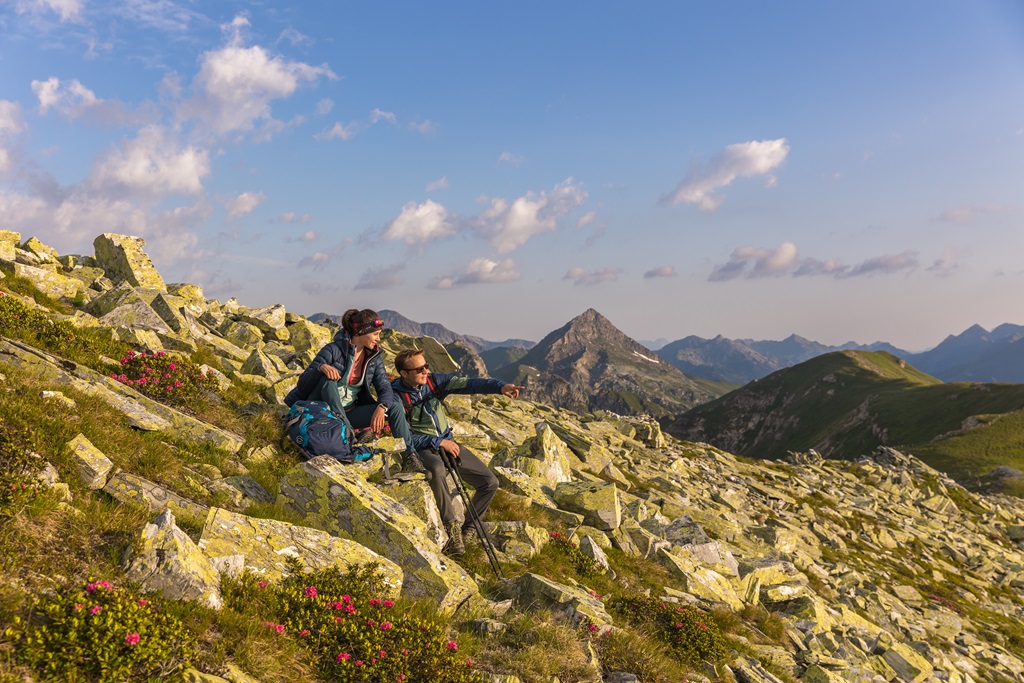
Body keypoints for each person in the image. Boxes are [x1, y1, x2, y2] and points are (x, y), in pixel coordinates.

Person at [391, 347, 525, 556]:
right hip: (423, 447)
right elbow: (403, 438)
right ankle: (452, 526)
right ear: (404, 374)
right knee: (436, 469)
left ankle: (468, 529)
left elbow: (469, 383)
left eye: (426, 366)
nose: (425, 371)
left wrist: (500, 387)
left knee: (490, 483)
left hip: (447, 443)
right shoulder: (395, 396)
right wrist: (437, 442)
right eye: (419, 369)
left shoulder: (435, 382)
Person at [284, 309, 421, 470]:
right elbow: (303, 384)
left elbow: (385, 387)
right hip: (320, 410)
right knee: (328, 380)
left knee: (395, 407)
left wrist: (382, 407)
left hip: (349, 412)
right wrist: (321, 367)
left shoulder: (373, 359)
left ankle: (410, 457)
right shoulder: (333, 350)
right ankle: (349, 433)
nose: (378, 339)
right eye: (375, 334)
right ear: (362, 331)